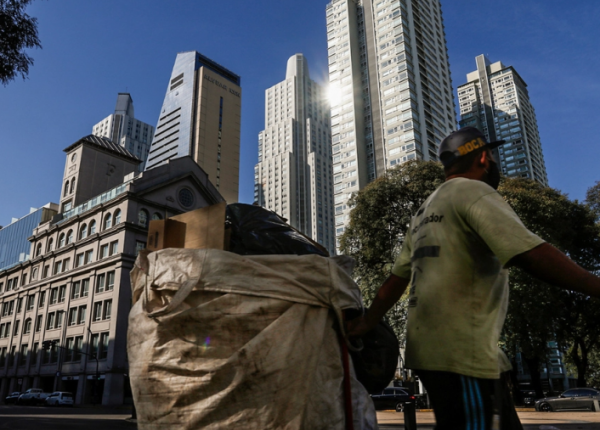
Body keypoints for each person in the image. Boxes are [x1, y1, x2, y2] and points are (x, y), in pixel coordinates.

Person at [346, 127, 600, 430]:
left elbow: (394, 282)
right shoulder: (472, 191)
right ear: (483, 157)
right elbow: (529, 252)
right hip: (462, 352)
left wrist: (366, 322)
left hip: (430, 349)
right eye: (491, 156)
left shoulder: (423, 212)